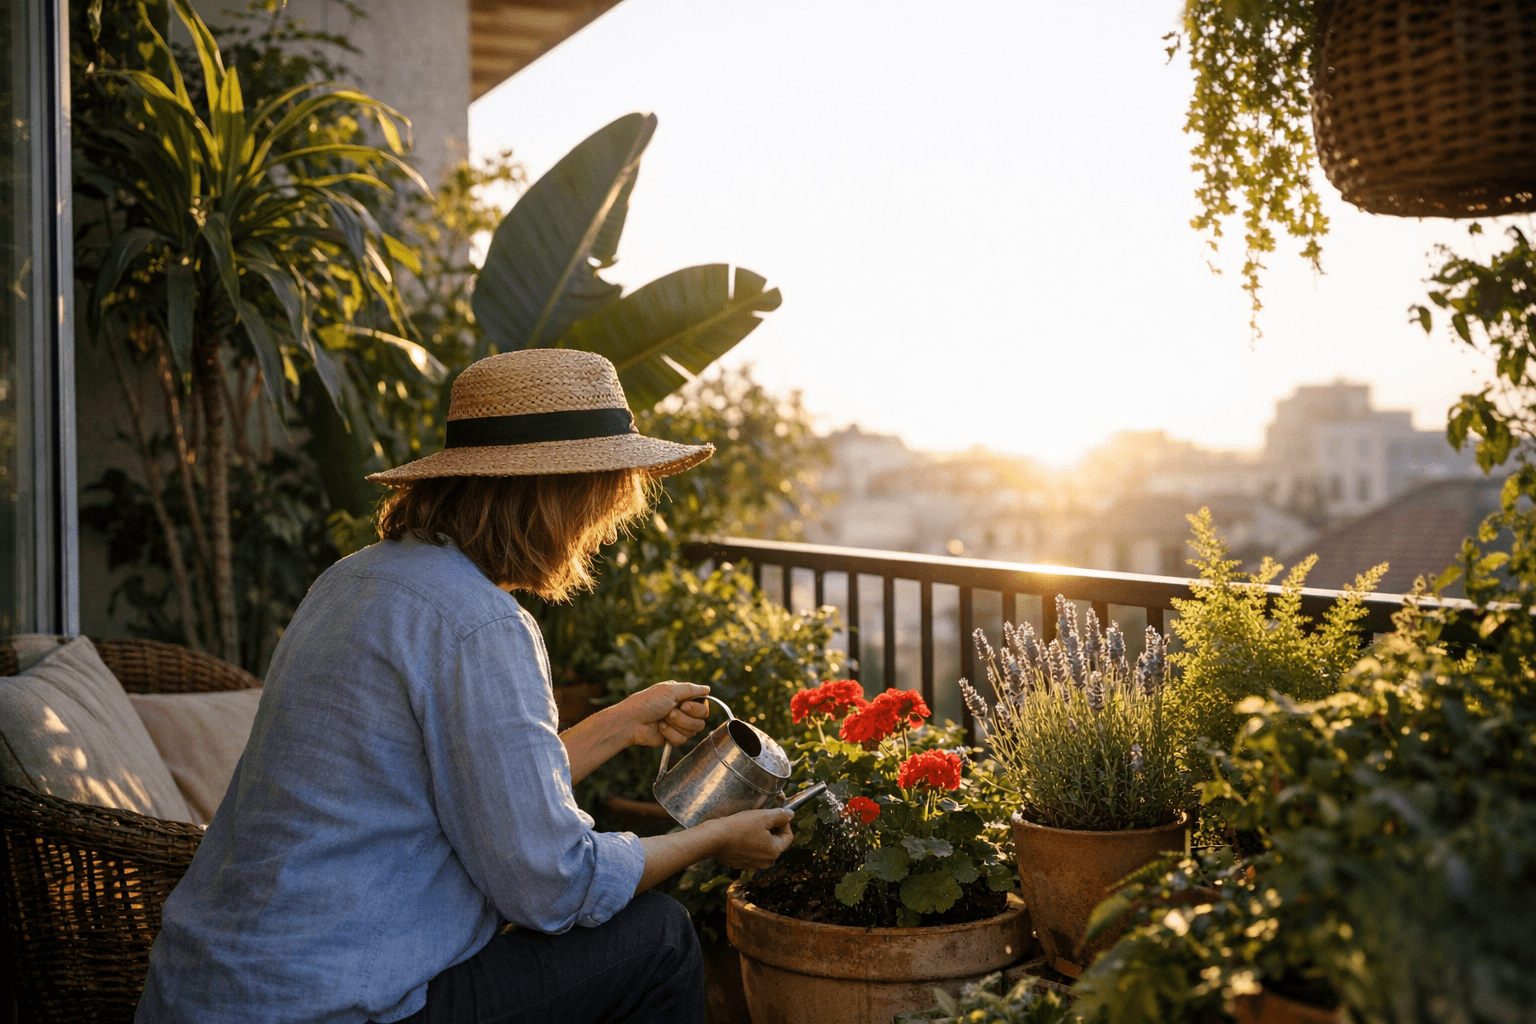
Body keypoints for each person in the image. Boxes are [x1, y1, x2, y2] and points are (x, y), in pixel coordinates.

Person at [136, 349, 796, 1024]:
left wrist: (622, 724)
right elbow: (552, 885)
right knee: (658, 939)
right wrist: (716, 839)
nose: (599, 533)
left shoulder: (352, 580)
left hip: (209, 994)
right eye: (598, 504)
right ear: (555, 498)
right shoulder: (480, 623)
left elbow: (474, 795)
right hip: (330, 1006)